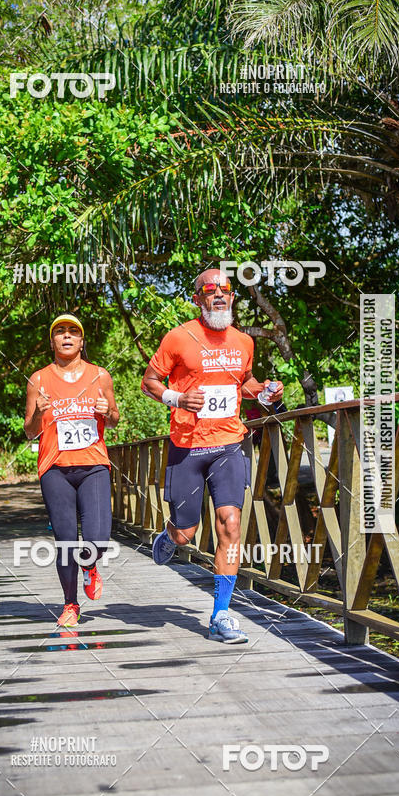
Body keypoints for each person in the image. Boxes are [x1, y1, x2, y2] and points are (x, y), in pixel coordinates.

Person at [141, 269, 283, 644]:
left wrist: (265, 392)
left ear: (233, 298)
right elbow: (149, 382)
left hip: (228, 444)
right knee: (187, 533)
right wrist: (176, 398)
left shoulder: (243, 342)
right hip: (187, 446)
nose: (219, 295)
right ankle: (170, 536)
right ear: (197, 299)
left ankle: (221, 614)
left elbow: (245, 383)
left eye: (225, 290)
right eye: (209, 290)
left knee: (230, 524)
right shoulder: (178, 337)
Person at [24, 314, 119, 627]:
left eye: (73, 332)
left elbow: (115, 417)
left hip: (93, 466)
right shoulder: (38, 380)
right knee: (65, 540)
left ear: (82, 341)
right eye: (60, 332)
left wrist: (109, 412)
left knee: (98, 538)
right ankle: (70, 605)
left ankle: (90, 566)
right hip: (55, 469)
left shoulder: (100, 376)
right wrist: (38, 414)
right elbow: (29, 432)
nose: (66, 336)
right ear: (52, 341)